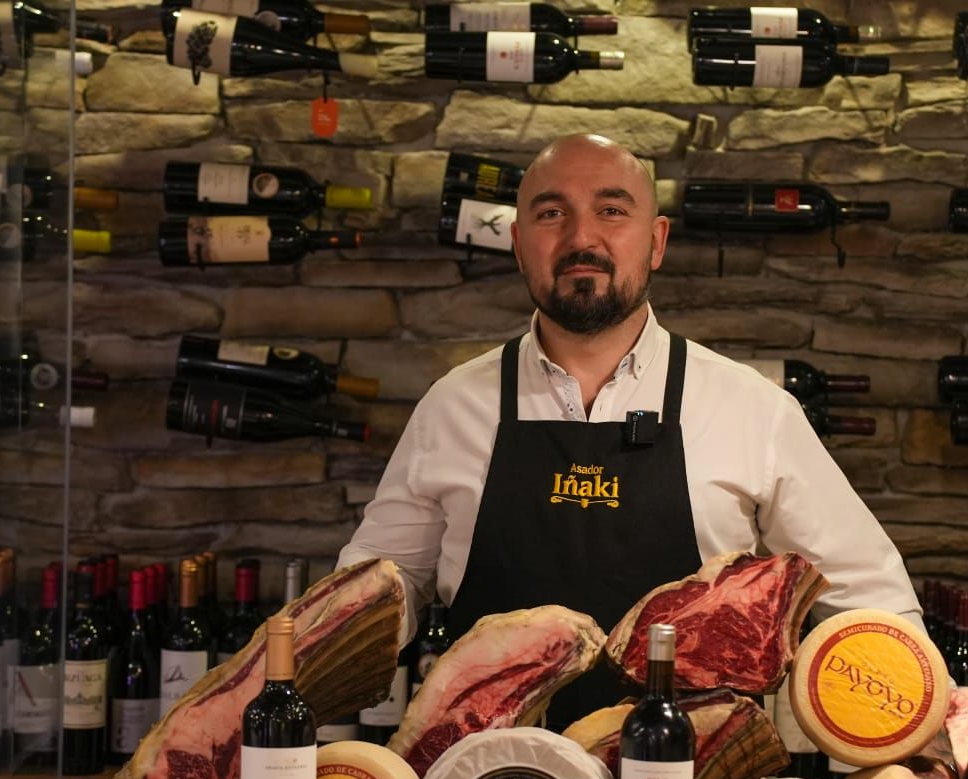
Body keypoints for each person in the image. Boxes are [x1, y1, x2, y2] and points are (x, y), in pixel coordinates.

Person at [337, 133, 921, 727]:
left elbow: (872, 605)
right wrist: (314, 653)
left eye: (611, 211)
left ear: (657, 241)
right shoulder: (452, 407)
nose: (581, 238)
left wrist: (919, 737)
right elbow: (379, 588)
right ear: (518, 244)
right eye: (550, 213)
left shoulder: (752, 410)